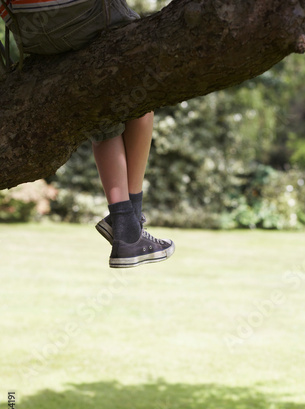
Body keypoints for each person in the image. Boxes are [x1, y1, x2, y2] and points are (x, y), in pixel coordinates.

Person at [0, 0, 175, 268]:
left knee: (104, 117)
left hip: (31, 31)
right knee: (141, 100)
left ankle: (124, 221)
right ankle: (129, 223)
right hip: (84, 14)